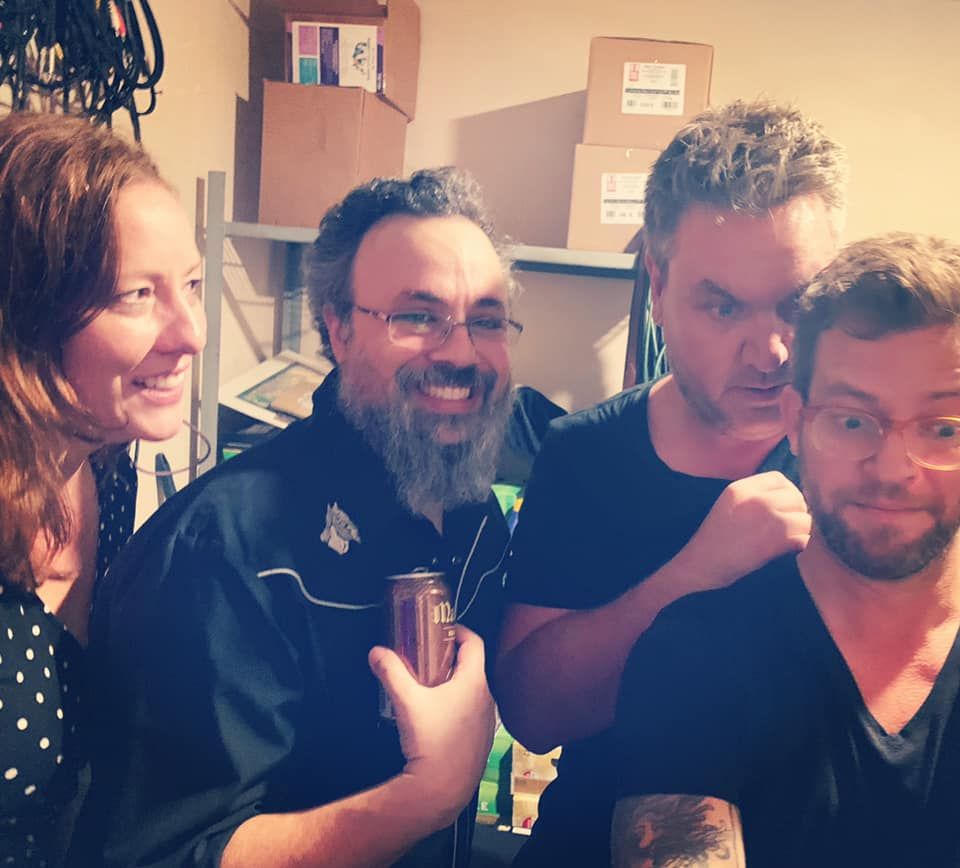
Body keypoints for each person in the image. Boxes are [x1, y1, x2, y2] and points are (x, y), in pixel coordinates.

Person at [71, 167, 520, 868]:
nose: (461, 352)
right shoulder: (226, 551)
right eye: (417, 316)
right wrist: (427, 795)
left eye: (486, 320)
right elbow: (167, 855)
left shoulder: (477, 517)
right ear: (338, 329)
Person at [494, 99, 847, 865]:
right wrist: (696, 571)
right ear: (657, 285)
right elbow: (534, 714)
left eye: (798, 304)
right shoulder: (586, 455)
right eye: (723, 307)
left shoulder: (866, 460)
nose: (771, 352)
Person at [612, 232, 960, 867]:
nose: (893, 470)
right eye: (852, 420)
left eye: (943, 428)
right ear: (796, 421)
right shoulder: (694, 658)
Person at [0, 111, 206, 867]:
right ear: (24, 316)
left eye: (191, 284)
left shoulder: (106, 466)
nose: (191, 334)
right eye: (136, 295)